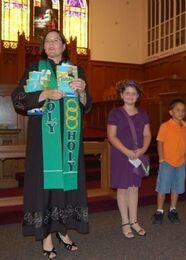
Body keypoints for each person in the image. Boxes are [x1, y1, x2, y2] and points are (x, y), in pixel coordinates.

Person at [12, 29, 92, 259]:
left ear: (64, 45)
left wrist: (83, 93)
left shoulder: (77, 71)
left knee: (66, 184)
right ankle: (46, 234)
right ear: (43, 47)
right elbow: (18, 97)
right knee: (45, 185)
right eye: (47, 41)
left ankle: (62, 230)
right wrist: (45, 93)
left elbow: (87, 106)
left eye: (56, 40)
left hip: (69, 137)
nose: (51, 44)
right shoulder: (35, 69)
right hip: (44, 138)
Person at [107, 80, 151, 238]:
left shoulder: (143, 113)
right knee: (122, 188)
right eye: (127, 93)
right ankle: (125, 222)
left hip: (137, 155)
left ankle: (134, 221)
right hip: (121, 155)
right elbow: (111, 136)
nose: (130, 96)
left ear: (138, 96)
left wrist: (143, 150)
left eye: (134, 93)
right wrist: (127, 152)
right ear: (121, 95)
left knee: (134, 188)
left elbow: (147, 134)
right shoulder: (115, 113)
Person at [153, 99, 186, 225]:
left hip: (180, 163)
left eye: (183, 110)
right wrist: (162, 159)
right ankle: (159, 211)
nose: (181, 112)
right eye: (178, 110)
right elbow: (160, 143)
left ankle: (172, 210)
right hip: (167, 162)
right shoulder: (165, 126)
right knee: (163, 187)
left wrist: (185, 159)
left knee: (176, 187)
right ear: (171, 112)